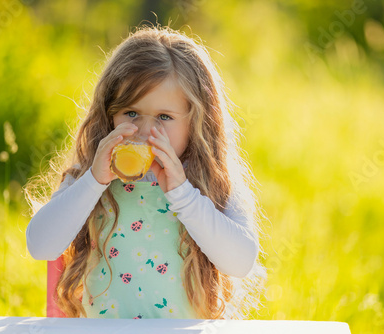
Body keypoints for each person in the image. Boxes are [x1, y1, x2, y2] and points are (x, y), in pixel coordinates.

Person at [24, 24, 267, 320]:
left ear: (198, 121)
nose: (145, 130)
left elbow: (241, 262)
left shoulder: (212, 183)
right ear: (108, 114)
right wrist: (93, 181)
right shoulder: (91, 177)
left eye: (164, 117)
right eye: (131, 113)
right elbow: (40, 245)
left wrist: (183, 194)